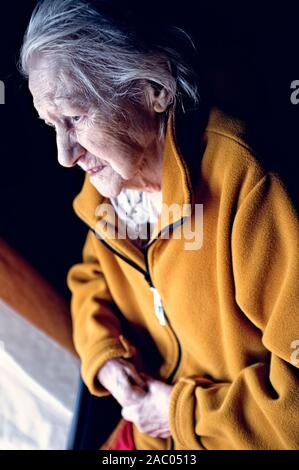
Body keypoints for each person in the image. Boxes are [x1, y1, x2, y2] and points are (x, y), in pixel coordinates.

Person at [20, 0, 299, 450]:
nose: (64, 154)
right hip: (150, 435)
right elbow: (92, 281)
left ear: (154, 87)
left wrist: (180, 413)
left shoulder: (247, 189)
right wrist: (106, 356)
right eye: (51, 124)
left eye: (74, 118)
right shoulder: (106, 195)